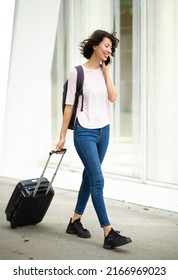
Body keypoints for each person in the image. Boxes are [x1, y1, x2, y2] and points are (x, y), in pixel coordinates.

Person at [55, 29, 132, 249]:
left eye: (111, 48)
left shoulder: (103, 72)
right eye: (106, 45)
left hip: (103, 131)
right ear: (96, 45)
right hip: (84, 132)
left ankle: (74, 221)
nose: (109, 50)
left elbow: (113, 97)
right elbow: (69, 106)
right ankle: (108, 233)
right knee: (98, 181)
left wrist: (107, 73)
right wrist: (62, 137)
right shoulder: (77, 72)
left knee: (89, 178)